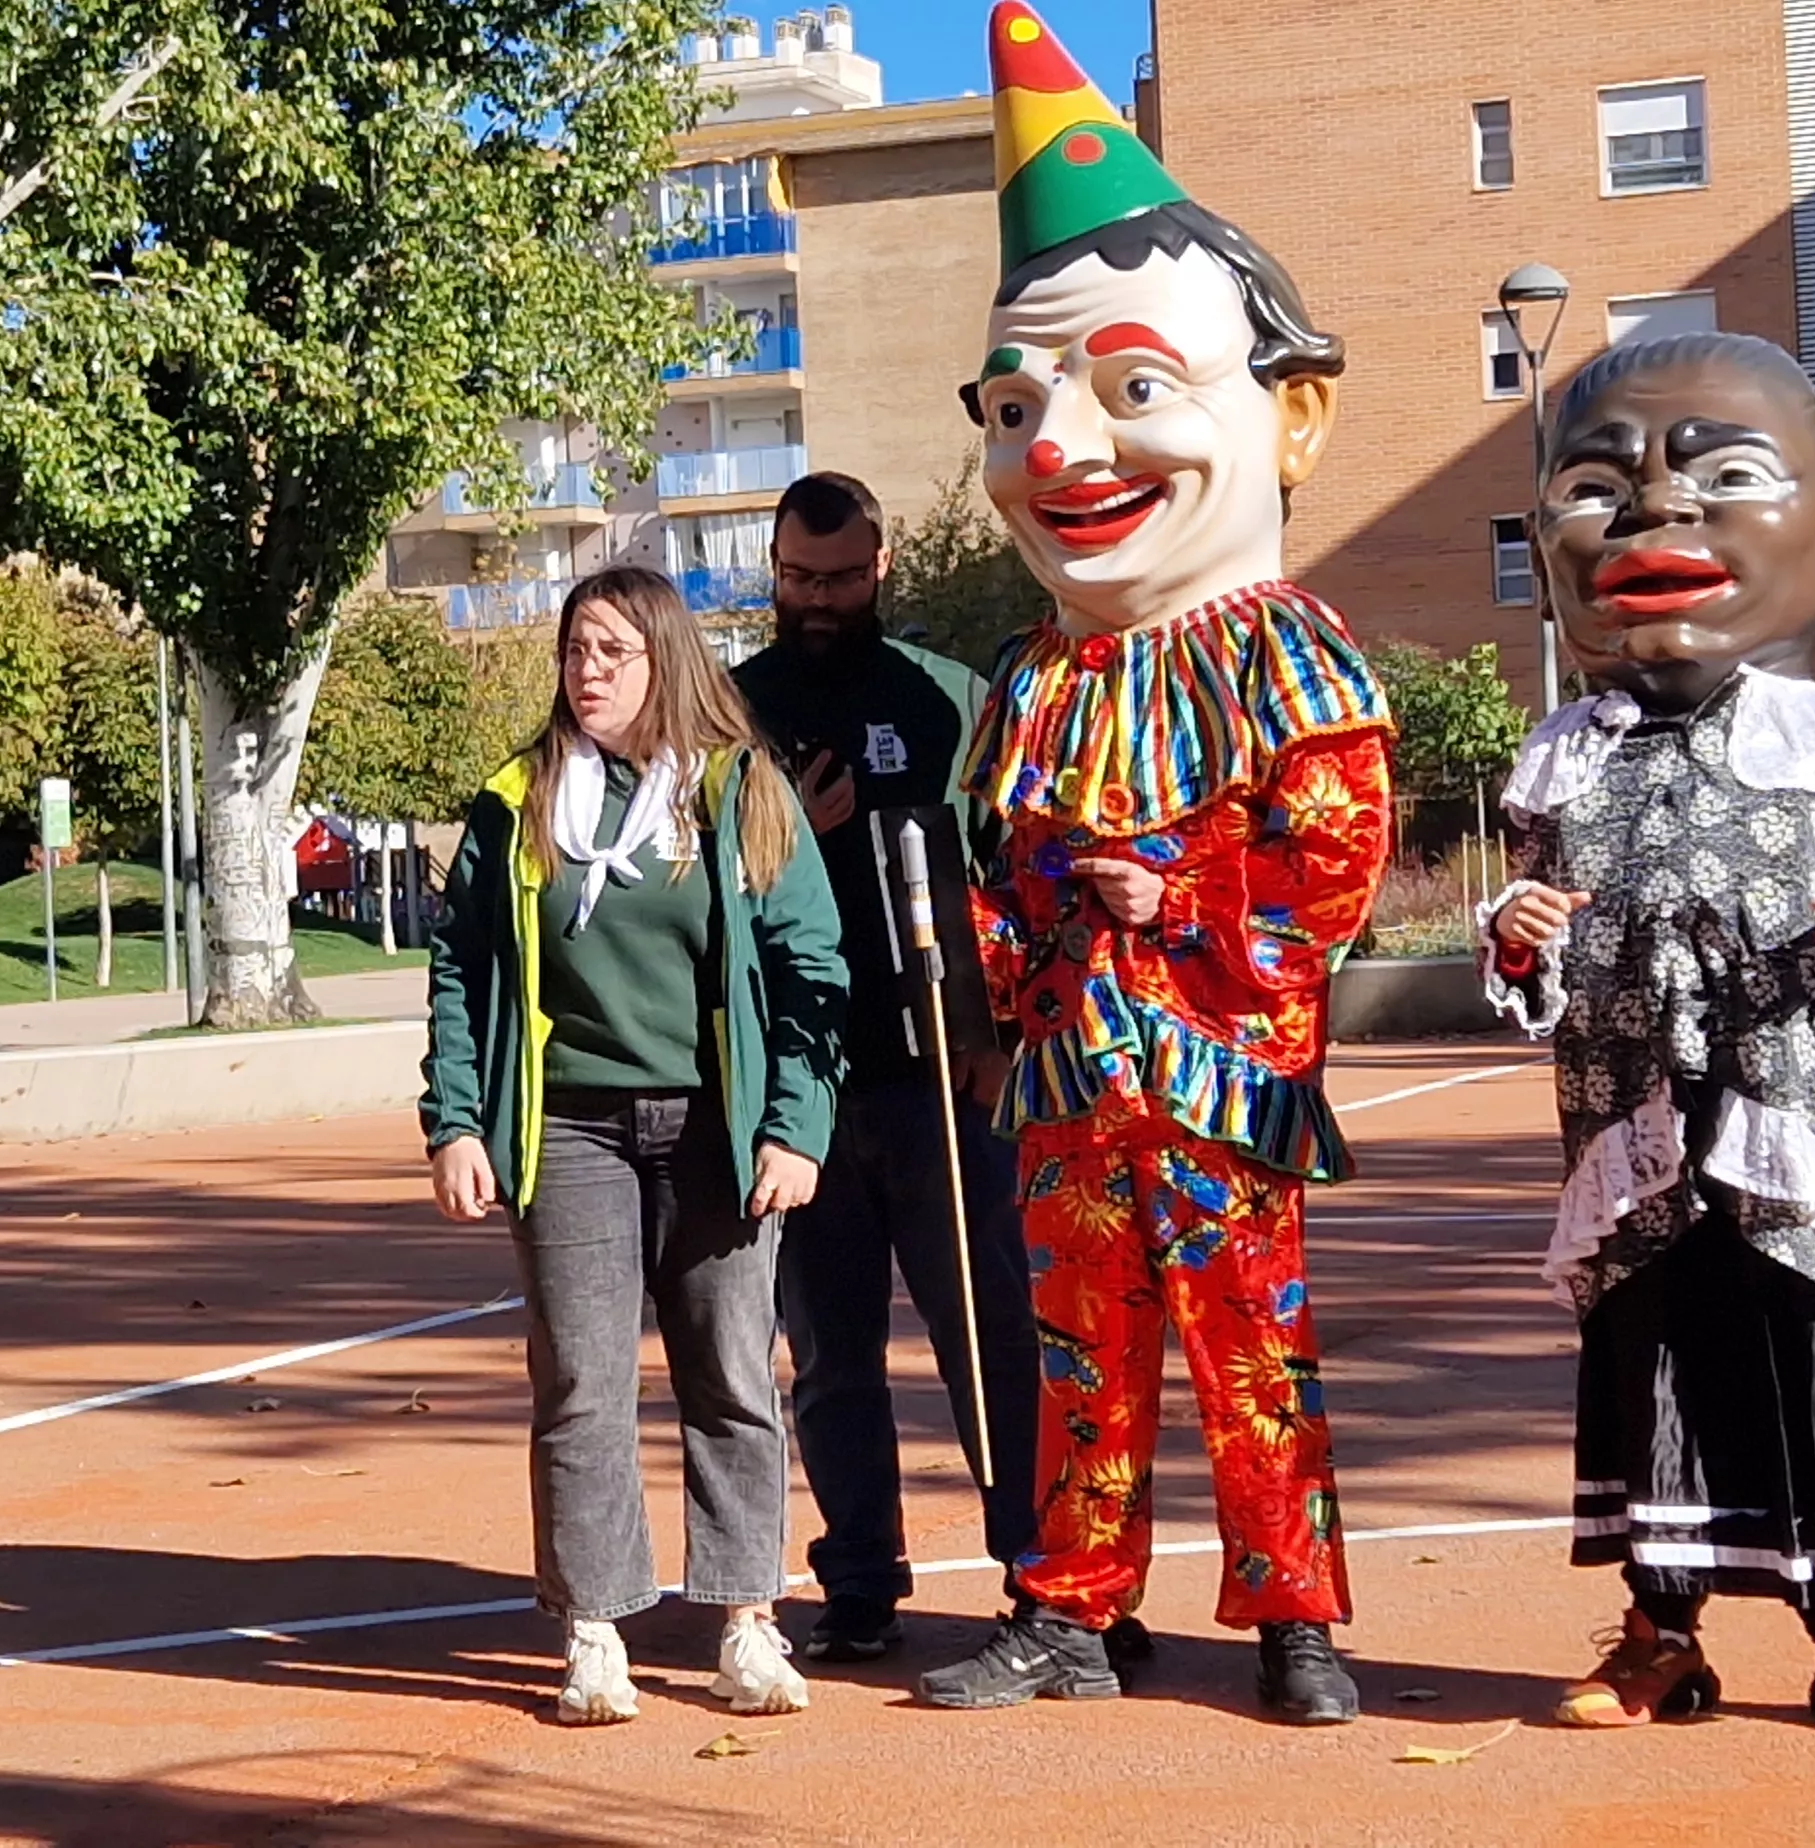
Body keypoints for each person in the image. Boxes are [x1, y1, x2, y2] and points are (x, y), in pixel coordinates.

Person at [913, 3, 1397, 1725]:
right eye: (1015, 401)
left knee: (1253, 1353)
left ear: (1295, 416)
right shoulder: (1032, 681)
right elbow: (988, 867)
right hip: (1063, 1075)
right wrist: (1011, 957)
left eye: (1128, 388)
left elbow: (1336, 866)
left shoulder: (1290, 655)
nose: (1057, 447)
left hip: (1217, 1068)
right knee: (1072, 1359)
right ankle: (1072, 1607)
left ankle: (1295, 1612)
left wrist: (1180, 895)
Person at [1480, 331, 1815, 1739]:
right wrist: (1516, 938)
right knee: (1649, 1379)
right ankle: (1659, 1633)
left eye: (1726, 476)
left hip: (1790, 1127)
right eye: (1596, 491)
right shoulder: (1560, 755)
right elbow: (1528, 934)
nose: (1653, 516)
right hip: (1632, 1134)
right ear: (1545, 548)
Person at [420, 567, 847, 1726]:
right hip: (569, 1132)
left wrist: (794, 1125)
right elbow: (461, 969)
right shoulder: (517, 802)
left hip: (715, 1128)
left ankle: (746, 1621)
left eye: (614, 652)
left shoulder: (738, 792)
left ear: (666, 661)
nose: (589, 673)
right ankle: (595, 1629)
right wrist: (456, 1119)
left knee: (732, 1376)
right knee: (580, 1385)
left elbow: (813, 969)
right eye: (575, 652)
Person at [726, 471, 1043, 1666]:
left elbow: (1009, 877)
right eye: (799, 579)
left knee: (991, 1337)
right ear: (770, 567)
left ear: (880, 568)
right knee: (829, 1353)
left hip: (943, 1079)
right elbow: (699, 888)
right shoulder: (729, 708)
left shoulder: (948, 701)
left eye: (843, 579)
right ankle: (859, 1575)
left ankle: (1038, 1569)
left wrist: (997, 1038)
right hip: (803, 1085)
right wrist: (787, 840)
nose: (820, 600)